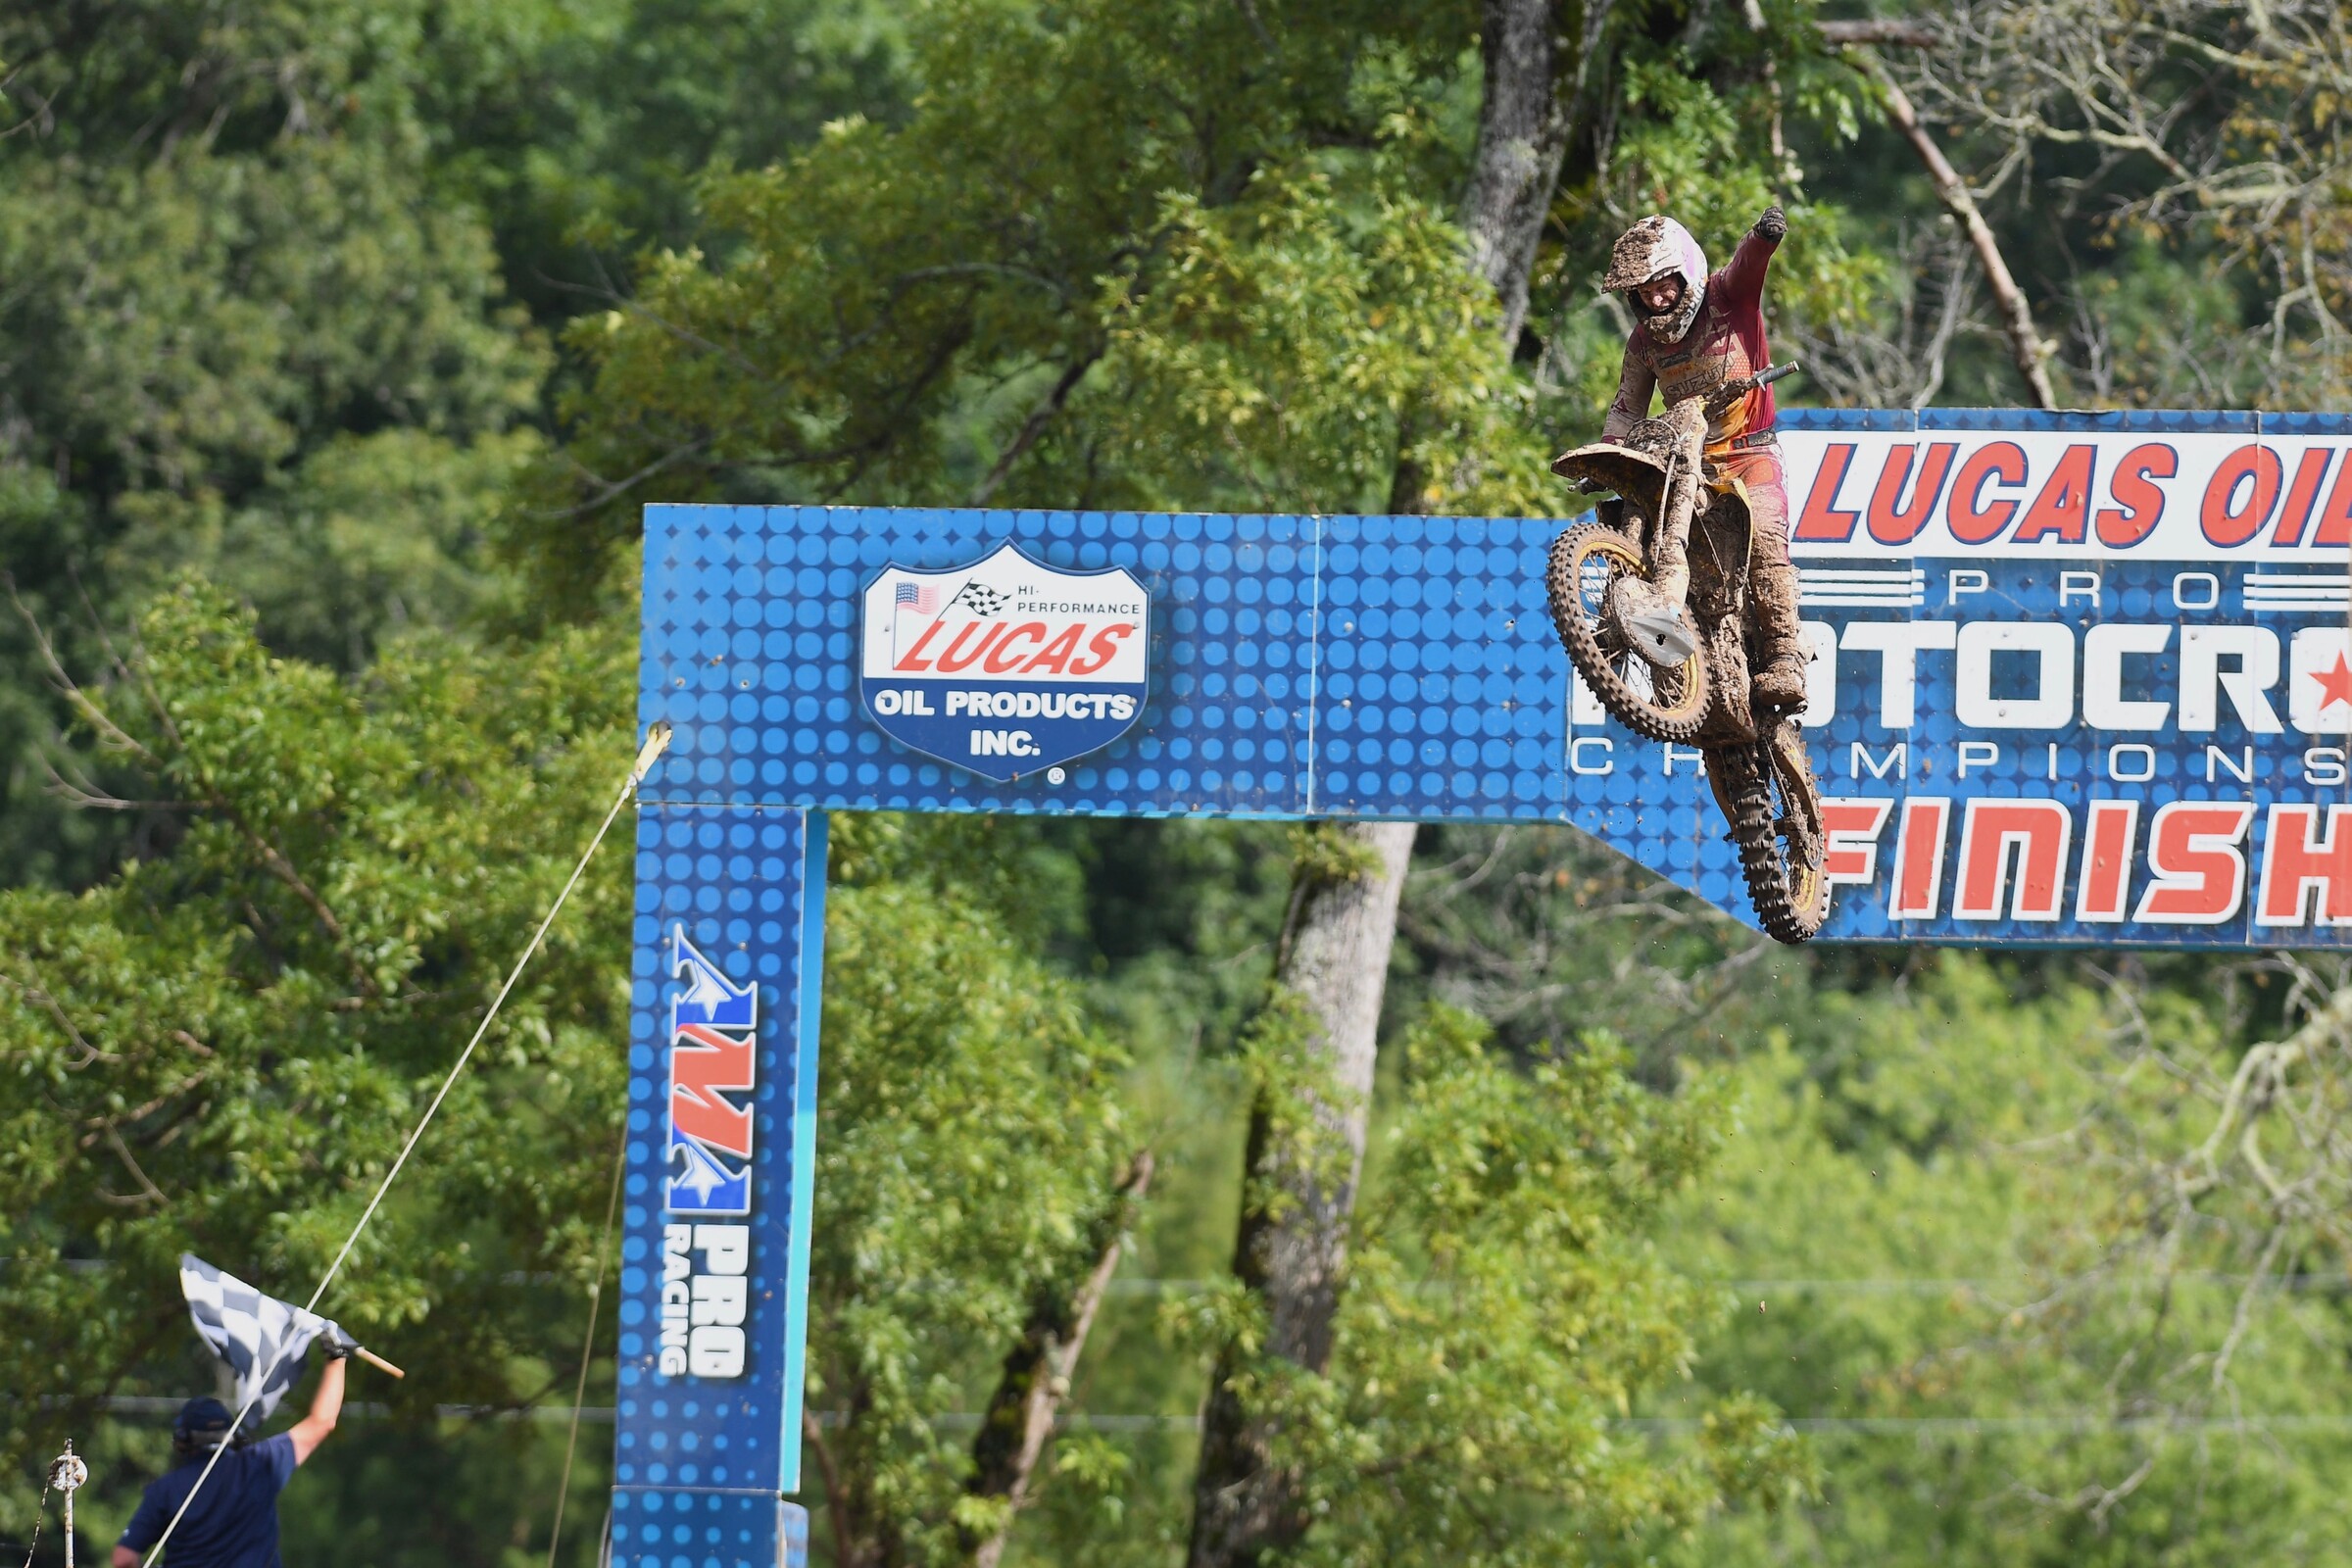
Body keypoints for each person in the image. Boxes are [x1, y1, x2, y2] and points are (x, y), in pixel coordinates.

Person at [1599, 205, 1808, 707]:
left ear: (1684, 271)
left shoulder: (1726, 297)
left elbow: (1747, 265)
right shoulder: (1643, 342)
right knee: (1638, 529)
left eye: (1663, 283)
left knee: (1765, 541)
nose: (1656, 297)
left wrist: (1763, 237)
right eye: (1644, 292)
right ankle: (1652, 649)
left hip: (1748, 452)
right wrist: (1607, 455)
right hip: (1684, 461)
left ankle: (1784, 659)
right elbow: (1628, 407)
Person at [113, 1335, 351, 1568]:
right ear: (234, 1436)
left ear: (183, 1440)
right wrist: (336, 1359)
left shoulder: (164, 1491)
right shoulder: (260, 1463)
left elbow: (124, 1558)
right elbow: (323, 1421)